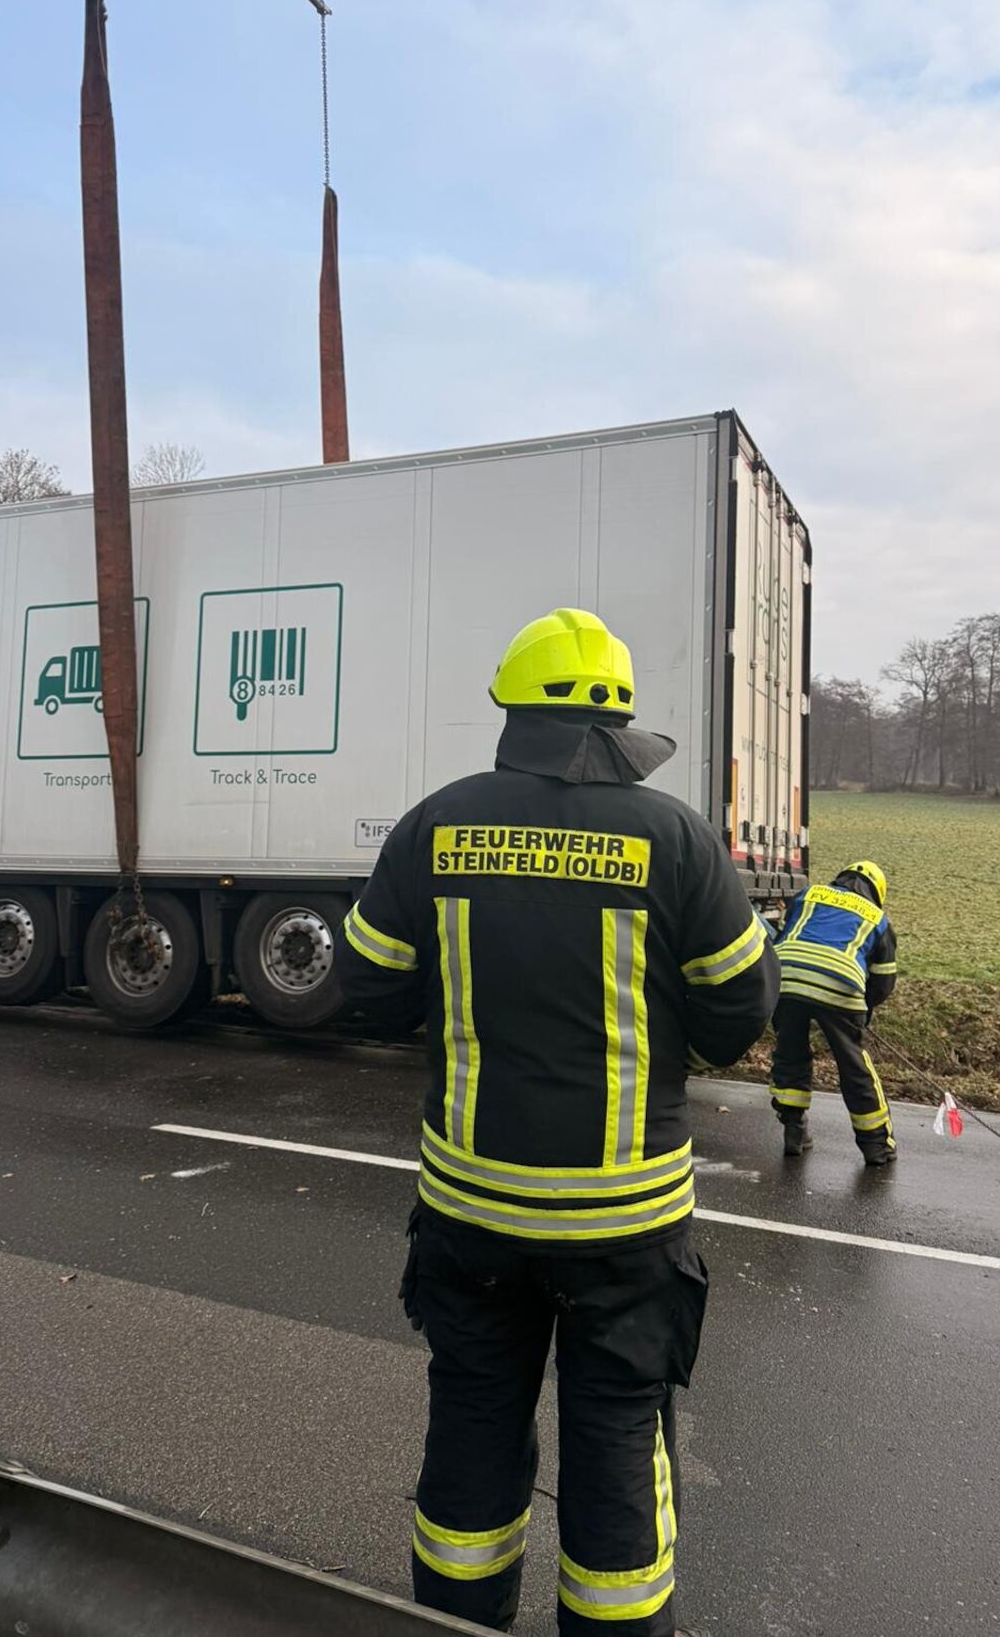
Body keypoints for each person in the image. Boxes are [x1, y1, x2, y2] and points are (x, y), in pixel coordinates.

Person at [336, 608, 778, 1637]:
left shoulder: (437, 824)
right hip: (624, 1229)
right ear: (617, 715)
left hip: (471, 1214)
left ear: (511, 706)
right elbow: (736, 1020)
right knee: (620, 1442)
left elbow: (362, 984)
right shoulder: (677, 839)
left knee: (471, 1436)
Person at [767, 861, 898, 1164]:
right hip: (840, 983)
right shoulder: (878, 918)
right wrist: (862, 1011)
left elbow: (788, 934)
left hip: (786, 976)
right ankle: (877, 1146)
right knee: (854, 1066)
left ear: (842, 878)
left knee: (790, 1055)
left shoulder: (809, 895)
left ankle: (795, 1132)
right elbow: (883, 983)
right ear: (876, 892)